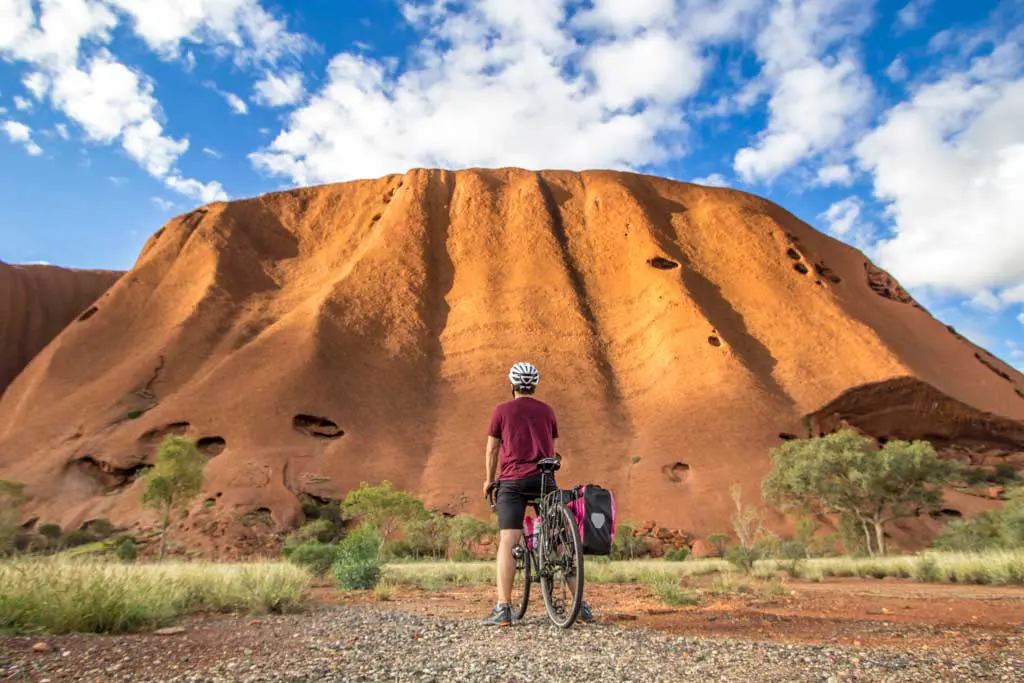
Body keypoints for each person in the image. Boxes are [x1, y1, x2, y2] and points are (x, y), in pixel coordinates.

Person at [481, 361, 592, 626]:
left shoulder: (501, 411)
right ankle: (582, 606)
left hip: (512, 482)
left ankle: (503, 608)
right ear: (534, 385)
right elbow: (551, 450)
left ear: (512, 385)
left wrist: (488, 481)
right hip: (544, 479)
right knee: (559, 538)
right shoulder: (547, 411)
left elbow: (492, 450)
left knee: (508, 540)